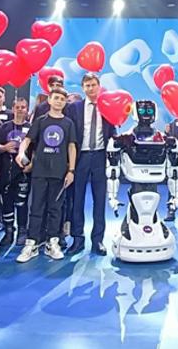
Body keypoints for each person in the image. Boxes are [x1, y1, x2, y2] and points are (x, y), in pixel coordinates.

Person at [16, 88, 76, 263]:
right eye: (56, 98)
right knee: (36, 207)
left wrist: (71, 171)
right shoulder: (40, 121)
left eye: (62, 99)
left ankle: (52, 242)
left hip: (59, 172)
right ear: (49, 100)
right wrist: (21, 153)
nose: (59, 101)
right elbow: (27, 140)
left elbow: (72, 147)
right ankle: (32, 243)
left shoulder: (68, 123)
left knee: (55, 209)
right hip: (40, 171)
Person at [66, 73, 114, 256]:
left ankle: (98, 240)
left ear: (99, 86)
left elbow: (112, 130)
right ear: (83, 88)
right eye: (87, 85)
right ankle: (77, 239)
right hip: (80, 157)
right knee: (77, 199)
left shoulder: (107, 106)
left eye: (93, 85)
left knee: (99, 199)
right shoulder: (74, 108)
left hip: (100, 156)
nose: (91, 88)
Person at [0, 97, 31, 246]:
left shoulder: (31, 127)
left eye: (23, 107)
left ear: (27, 110)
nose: (20, 110)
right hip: (6, 170)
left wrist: (31, 164)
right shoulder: (4, 127)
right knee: (7, 201)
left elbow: (36, 149)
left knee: (21, 202)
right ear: (13, 109)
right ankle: (8, 231)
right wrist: (4, 148)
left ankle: (22, 231)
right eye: (17, 107)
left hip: (23, 171)